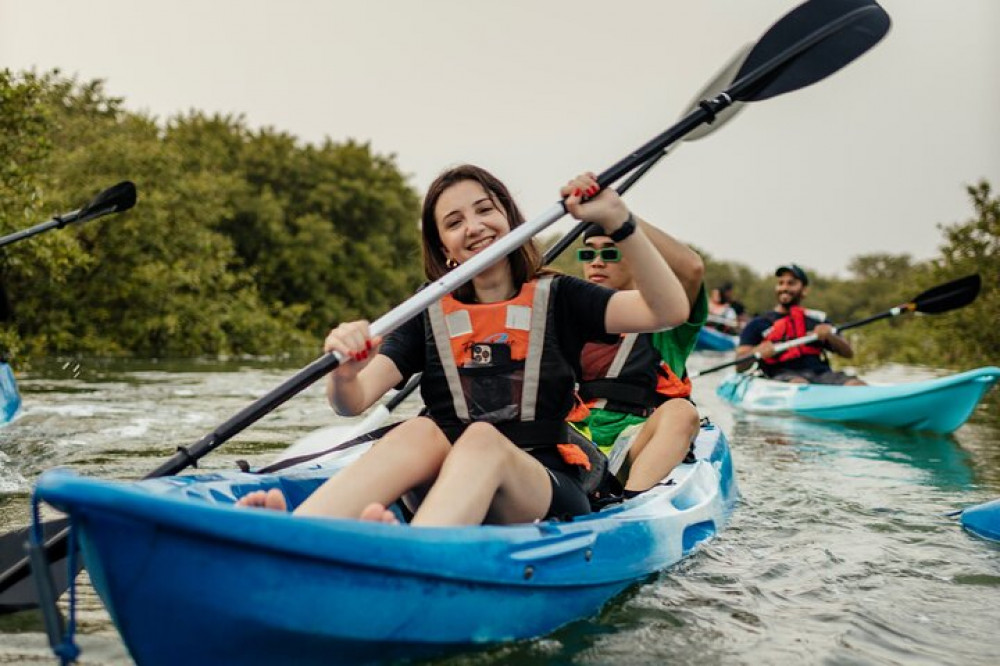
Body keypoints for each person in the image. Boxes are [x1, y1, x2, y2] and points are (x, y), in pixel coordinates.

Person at [239, 166, 690, 526]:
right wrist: (344, 372)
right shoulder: (428, 309)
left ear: (510, 220)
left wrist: (615, 218)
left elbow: (668, 310)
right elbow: (352, 403)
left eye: (484, 211)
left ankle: (409, 557)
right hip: (443, 487)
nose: (474, 227)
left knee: (480, 440)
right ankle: (299, 532)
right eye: (454, 222)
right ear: (444, 248)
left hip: (541, 486)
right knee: (416, 430)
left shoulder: (563, 297)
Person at [572, 220, 707, 496]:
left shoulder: (665, 319)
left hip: (632, 442)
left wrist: (618, 217)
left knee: (682, 412)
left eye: (610, 253)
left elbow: (692, 270)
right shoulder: (563, 314)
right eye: (588, 253)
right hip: (572, 440)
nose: (597, 262)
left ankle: (629, 502)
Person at [736, 263, 865, 385]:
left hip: (822, 374)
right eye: (781, 283)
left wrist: (830, 336)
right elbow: (739, 366)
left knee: (856, 385)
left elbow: (848, 353)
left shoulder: (818, 320)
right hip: (781, 376)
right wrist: (757, 351)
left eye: (791, 283)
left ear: (804, 290)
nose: (785, 288)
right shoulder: (758, 323)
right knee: (799, 384)